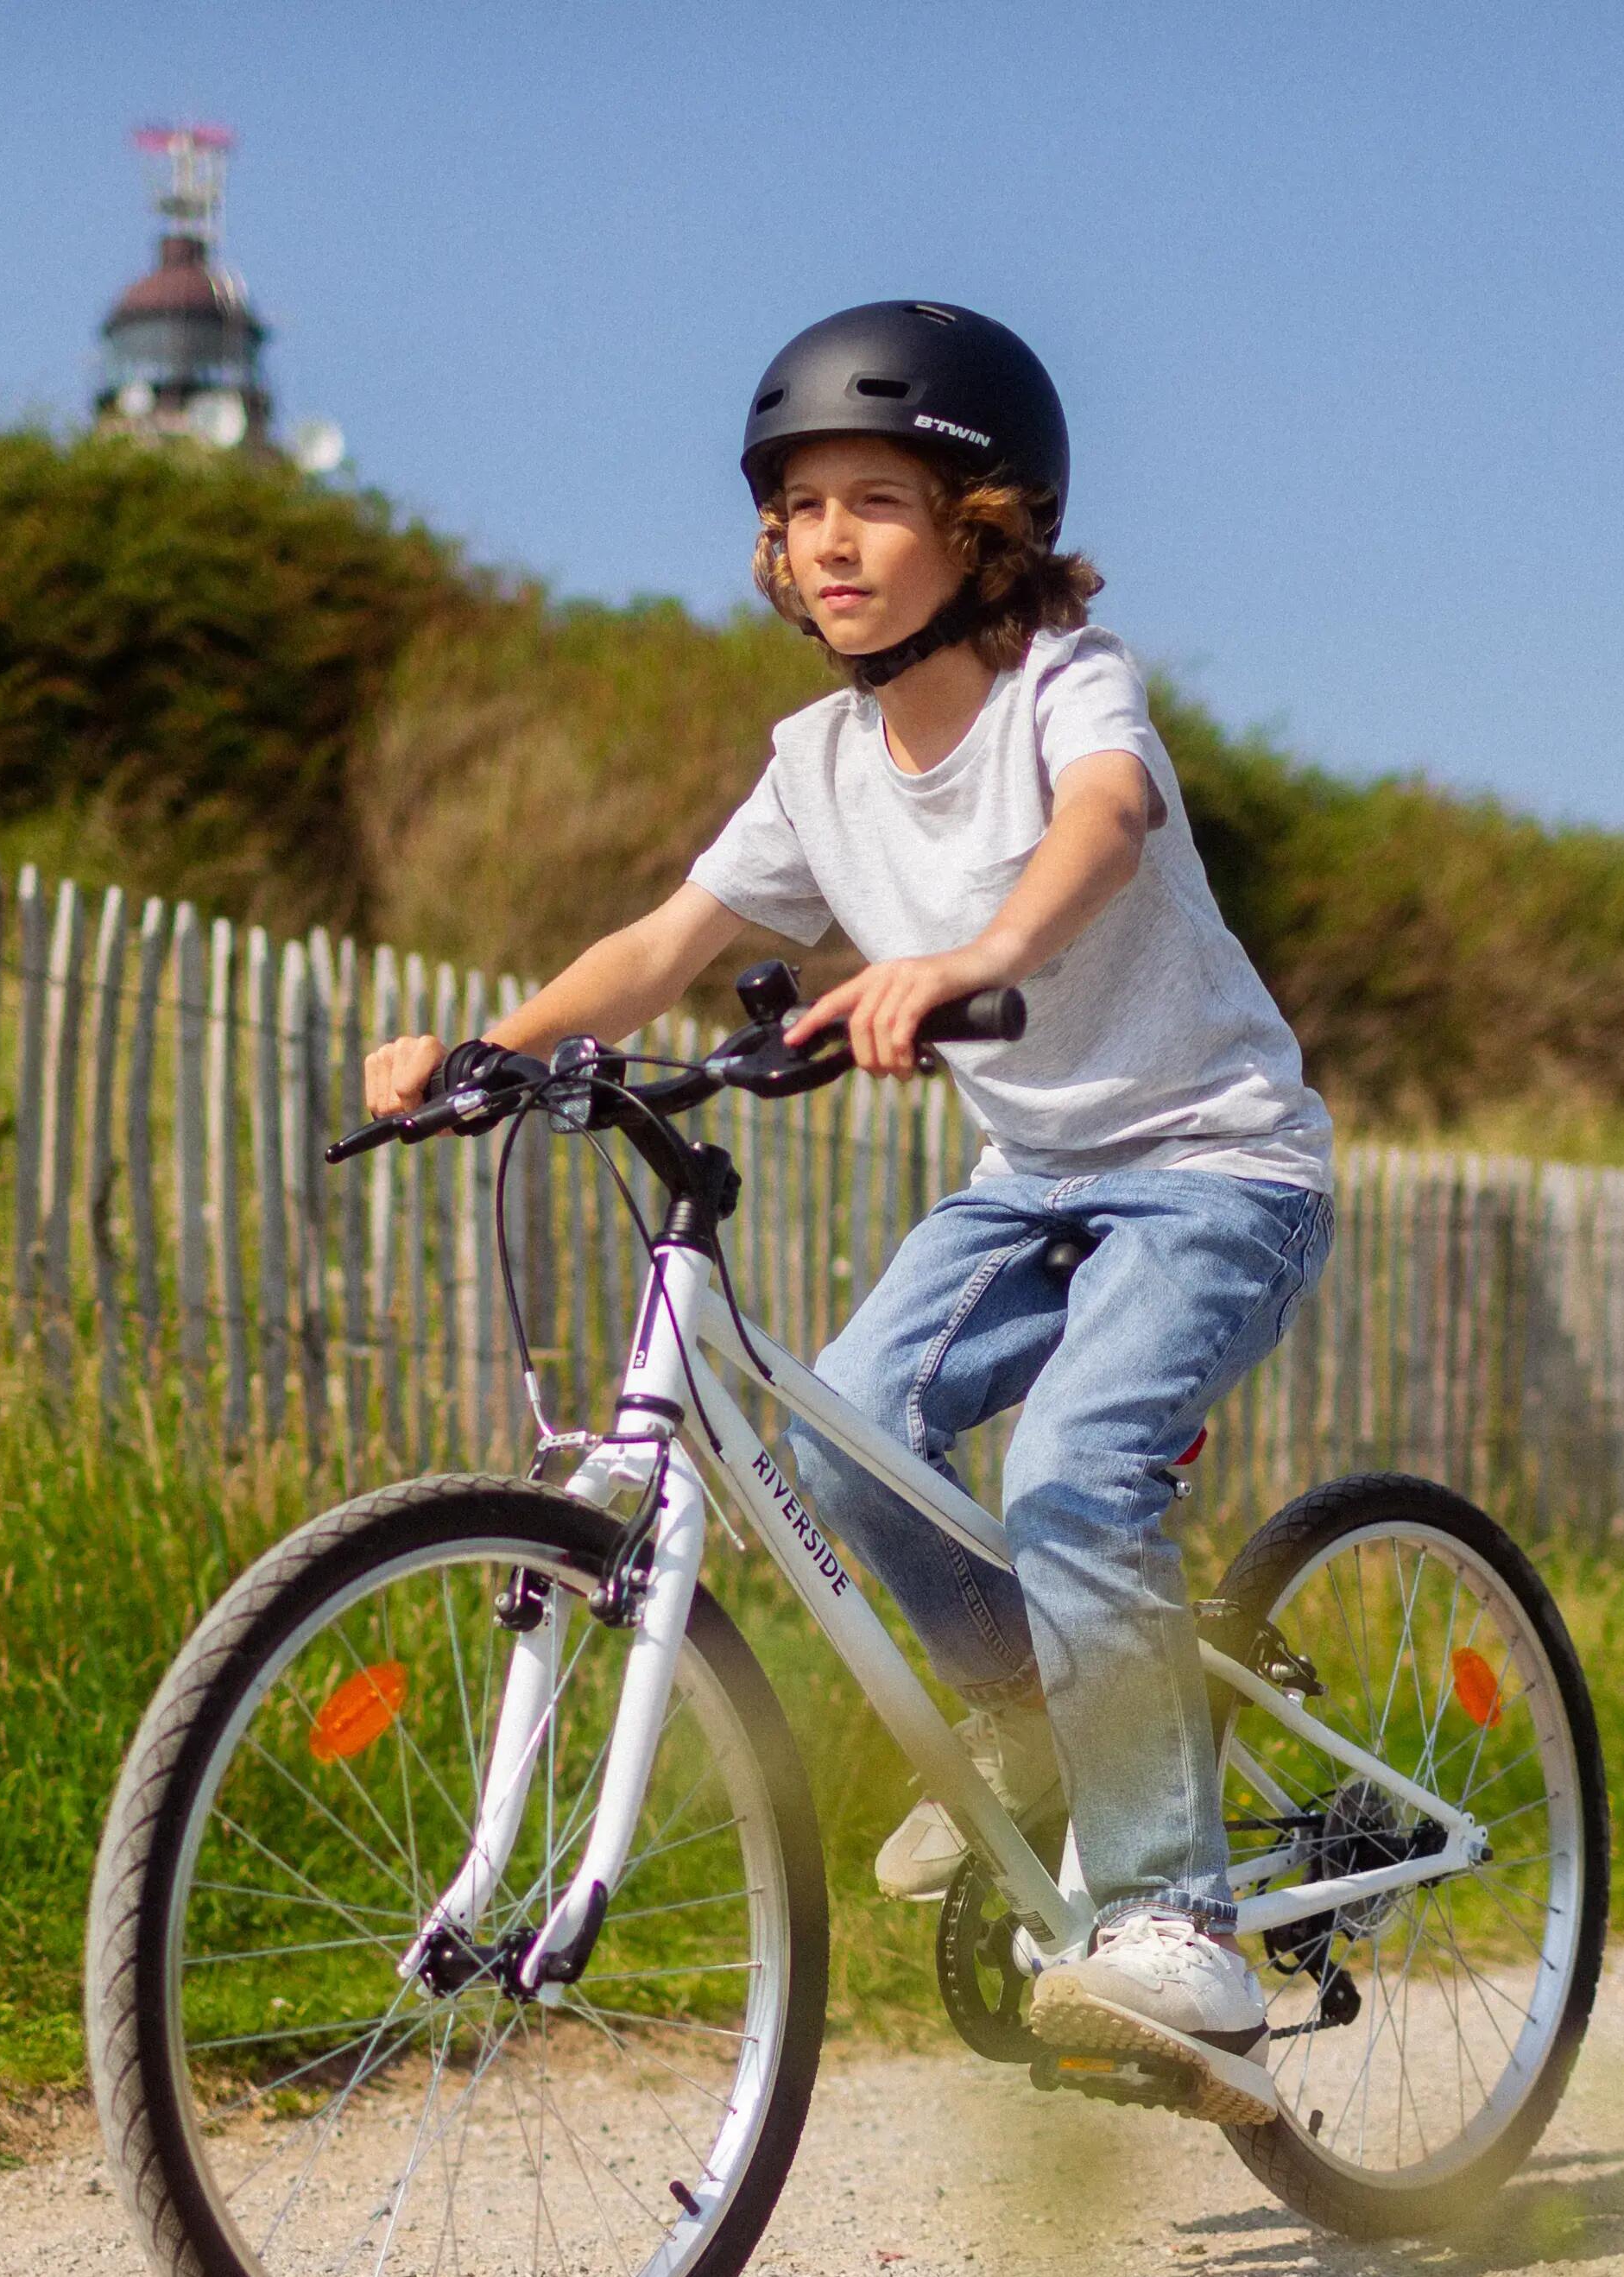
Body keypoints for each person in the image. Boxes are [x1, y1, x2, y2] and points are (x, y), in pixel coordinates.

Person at [362, 300, 1333, 2121]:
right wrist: (491, 1046)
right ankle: (1057, 1713)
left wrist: (979, 955)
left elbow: (1105, 823)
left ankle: (1175, 1922)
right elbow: (667, 944)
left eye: (876, 501)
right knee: (851, 1435)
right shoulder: (817, 764)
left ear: (988, 532)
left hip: (1215, 1166)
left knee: (1072, 1475)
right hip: (1030, 1184)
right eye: (798, 508)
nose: (828, 541)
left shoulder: (1069, 686)